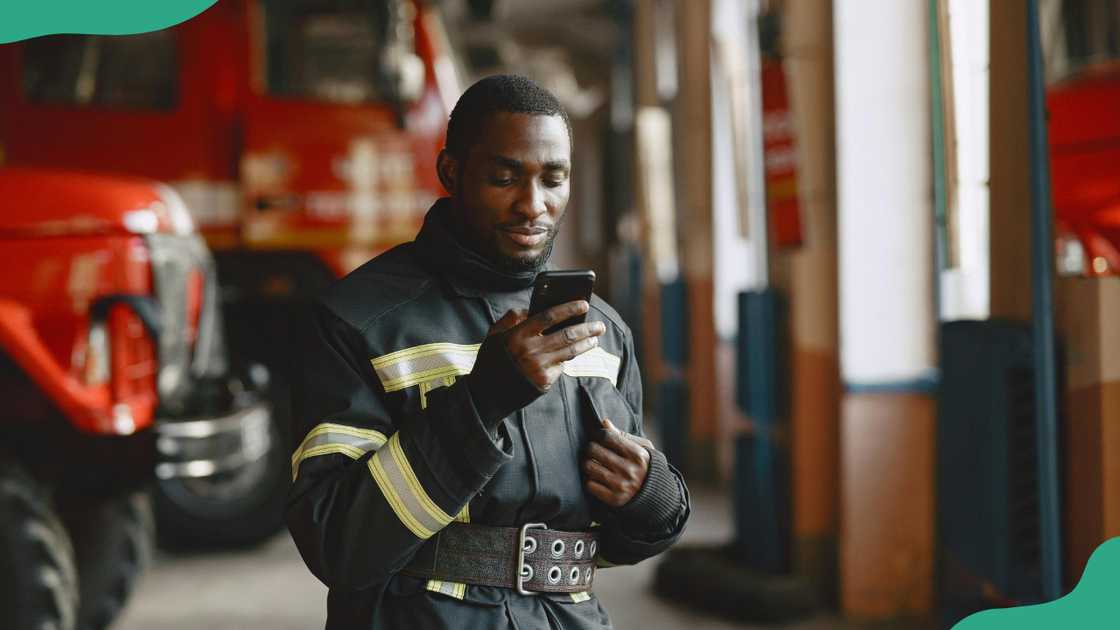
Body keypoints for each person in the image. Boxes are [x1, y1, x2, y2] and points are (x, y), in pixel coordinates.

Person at [287, 74, 690, 629]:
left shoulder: (602, 332)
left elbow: (619, 541)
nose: (533, 205)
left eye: (554, 179)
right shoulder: (360, 321)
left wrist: (651, 494)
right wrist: (482, 400)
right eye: (505, 178)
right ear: (451, 172)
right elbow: (335, 543)